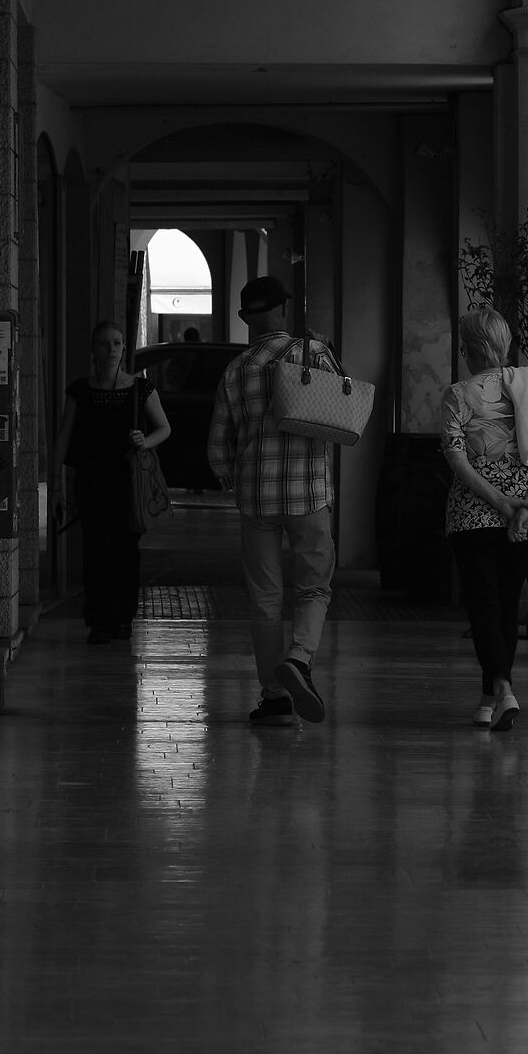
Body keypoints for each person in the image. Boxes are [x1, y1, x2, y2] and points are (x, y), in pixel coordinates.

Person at [208, 276, 343, 727]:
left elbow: (217, 446)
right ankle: (300, 660)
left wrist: (233, 475)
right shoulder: (314, 354)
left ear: (247, 319)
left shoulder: (237, 369)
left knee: (265, 599)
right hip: (309, 493)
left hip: (256, 498)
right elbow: (342, 413)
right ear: (284, 311)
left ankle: (274, 698)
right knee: (314, 587)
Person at [439, 305, 528, 731]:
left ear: (470, 349)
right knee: (506, 606)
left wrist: (498, 501)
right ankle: (491, 696)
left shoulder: (457, 394)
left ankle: (503, 688)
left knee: (483, 605)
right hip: (524, 513)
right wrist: (526, 504)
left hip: (473, 513)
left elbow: (456, 458)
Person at [52, 321, 172, 645]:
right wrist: (55, 485)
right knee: (95, 549)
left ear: (123, 348)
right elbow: (63, 437)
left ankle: (122, 618)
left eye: (117, 343)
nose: (111, 349)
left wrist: (144, 442)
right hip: (91, 481)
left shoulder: (139, 389)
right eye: (104, 343)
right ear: (93, 349)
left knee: (125, 550)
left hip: (127, 482)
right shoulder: (80, 391)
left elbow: (164, 428)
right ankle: (99, 619)